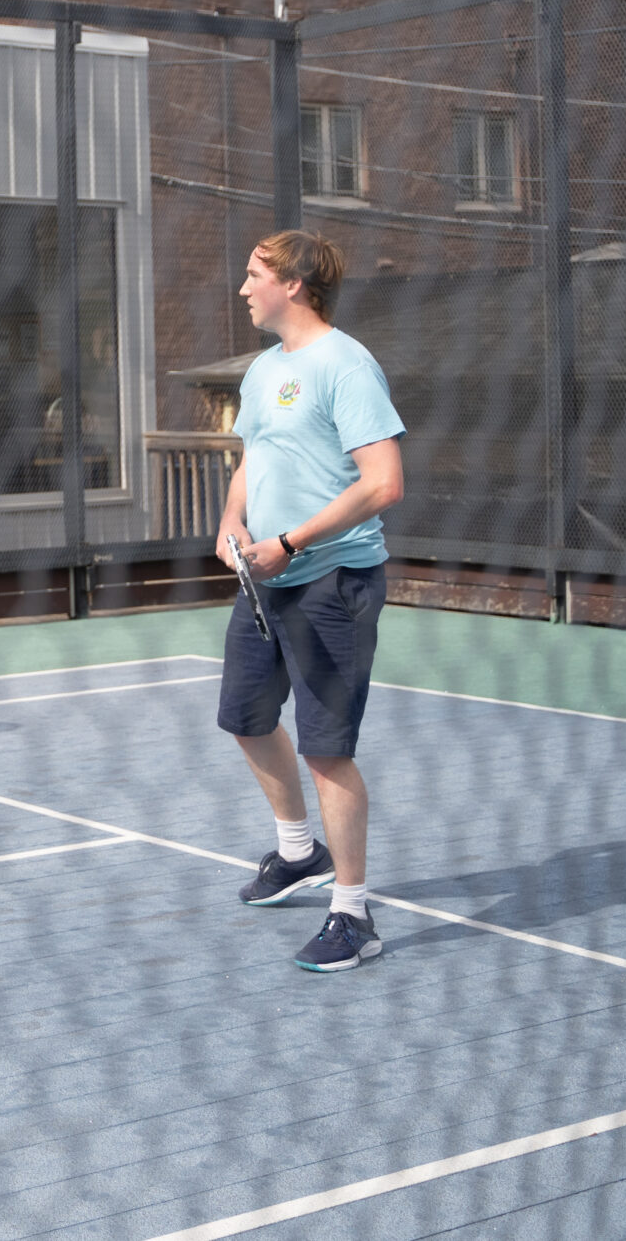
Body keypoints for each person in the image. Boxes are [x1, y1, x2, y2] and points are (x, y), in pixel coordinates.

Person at [215, 230, 406, 972]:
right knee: (245, 716)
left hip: (335, 583)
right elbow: (253, 459)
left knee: (328, 748)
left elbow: (383, 481)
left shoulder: (346, 364)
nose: (244, 288)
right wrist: (232, 523)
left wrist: (290, 542)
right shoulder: (264, 370)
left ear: (294, 282)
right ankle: (300, 852)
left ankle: (354, 914)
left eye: (254, 273)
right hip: (264, 577)